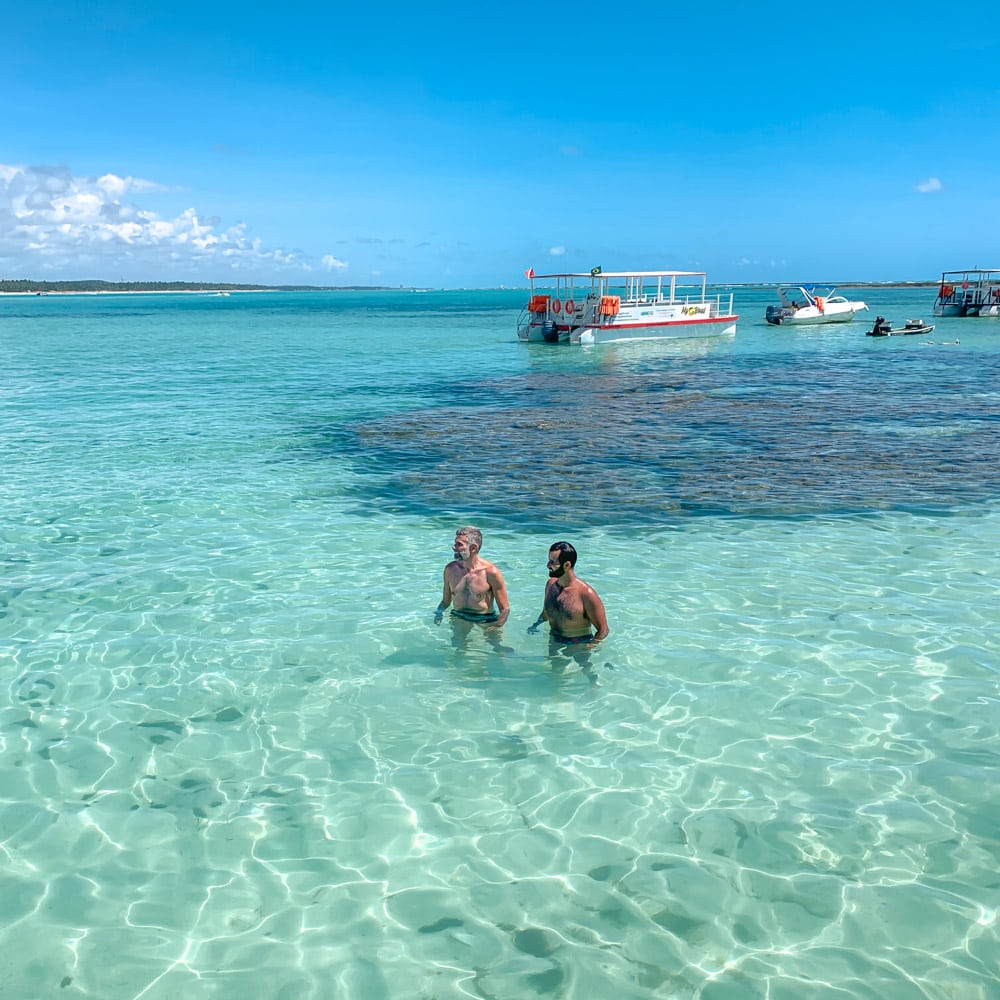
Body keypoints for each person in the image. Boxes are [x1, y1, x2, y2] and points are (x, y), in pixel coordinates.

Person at [528, 541, 608, 645]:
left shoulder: (586, 594)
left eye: (552, 562)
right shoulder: (550, 585)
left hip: (579, 643)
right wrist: (535, 625)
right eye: (549, 560)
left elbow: (603, 630)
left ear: (566, 565)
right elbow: (545, 613)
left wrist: (590, 646)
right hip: (554, 638)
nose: (548, 565)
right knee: (552, 662)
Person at [435, 526, 510, 629]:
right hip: (458, 616)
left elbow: (505, 609)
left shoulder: (491, 573)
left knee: (495, 644)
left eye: (459, 544)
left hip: (485, 619)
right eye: (455, 543)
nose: (453, 547)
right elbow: (446, 601)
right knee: (457, 645)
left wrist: (497, 626)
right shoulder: (450, 569)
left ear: (473, 548)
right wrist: (439, 613)